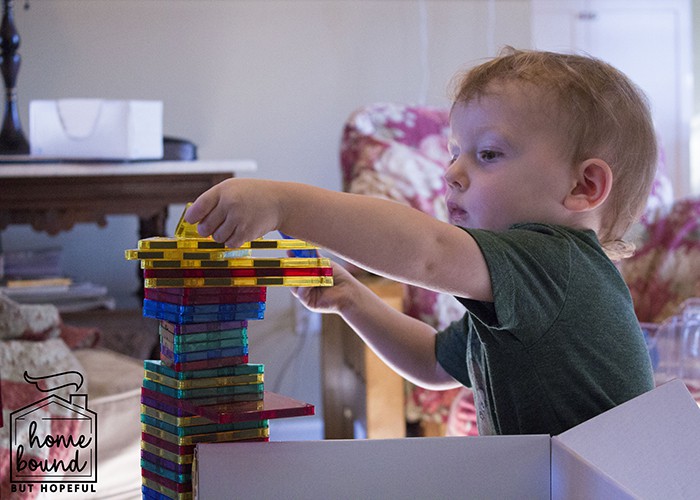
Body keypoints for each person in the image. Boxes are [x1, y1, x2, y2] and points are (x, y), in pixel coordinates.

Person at [185, 48, 657, 435]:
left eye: (488, 154)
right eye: (454, 154)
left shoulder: (556, 263)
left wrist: (283, 204)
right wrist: (353, 299)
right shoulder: (528, 299)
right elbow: (432, 362)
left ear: (584, 187)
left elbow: (428, 252)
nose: (451, 174)